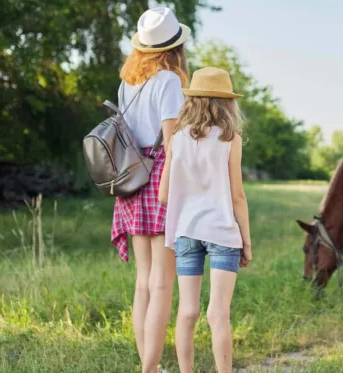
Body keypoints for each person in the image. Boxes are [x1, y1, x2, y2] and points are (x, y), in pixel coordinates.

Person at [110, 7, 190, 373]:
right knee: (162, 285)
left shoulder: (127, 83)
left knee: (144, 281)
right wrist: (174, 191)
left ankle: (150, 366)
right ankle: (149, 369)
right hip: (159, 177)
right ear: (174, 48)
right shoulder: (169, 82)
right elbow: (172, 144)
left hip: (129, 179)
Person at [159, 67, 252, 373]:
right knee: (218, 314)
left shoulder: (177, 139)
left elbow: (163, 195)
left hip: (186, 232)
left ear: (192, 100)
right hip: (223, 232)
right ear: (227, 104)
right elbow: (237, 196)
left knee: (187, 312)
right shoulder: (230, 139)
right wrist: (246, 242)